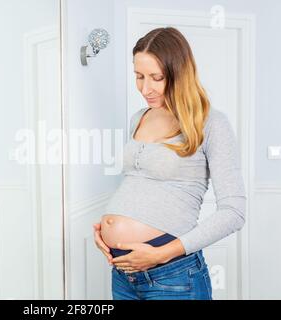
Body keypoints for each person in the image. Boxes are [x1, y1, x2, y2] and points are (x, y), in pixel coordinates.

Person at [93, 27, 246, 300]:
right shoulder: (139, 117)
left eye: (156, 78)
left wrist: (159, 253)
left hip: (174, 276)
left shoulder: (211, 123)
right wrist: (107, 228)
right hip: (123, 277)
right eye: (138, 77)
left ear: (179, 74)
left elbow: (233, 212)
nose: (145, 88)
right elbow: (140, 183)